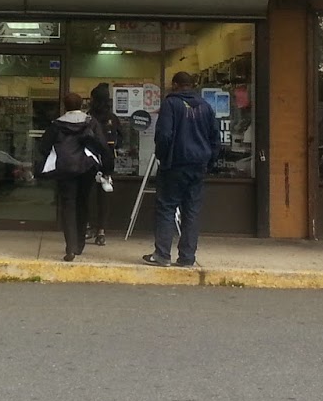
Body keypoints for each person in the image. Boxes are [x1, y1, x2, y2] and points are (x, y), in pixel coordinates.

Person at [143, 71, 221, 268]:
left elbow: (164, 135)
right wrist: (209, 162)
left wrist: (162, 156)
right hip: (198, 165)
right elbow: (215, 139)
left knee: (166, 207)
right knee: (191, 210)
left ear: (175, 84)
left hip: (175, 164)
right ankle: (187, 256)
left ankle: (162, 254)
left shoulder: (171, 104)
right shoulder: (205, 106)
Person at [34, 92, 110, 261]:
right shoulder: (91, 122)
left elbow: (43, 147)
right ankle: (80, 244)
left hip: (64, 168)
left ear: (64, 106)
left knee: (68, 205)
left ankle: (70, 248)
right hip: (87, 168)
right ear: (82, 104)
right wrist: (106, 167)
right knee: (83, 203)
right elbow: (102, 145)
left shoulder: (56, 124)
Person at [85, 83, 124, 244]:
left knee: (86, 194)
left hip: (89, 160)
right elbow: (120, 140)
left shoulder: (88, 118)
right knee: (104, 196)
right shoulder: (112, 118)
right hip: (107, 161)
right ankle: (101, 231)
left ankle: (87, 226)